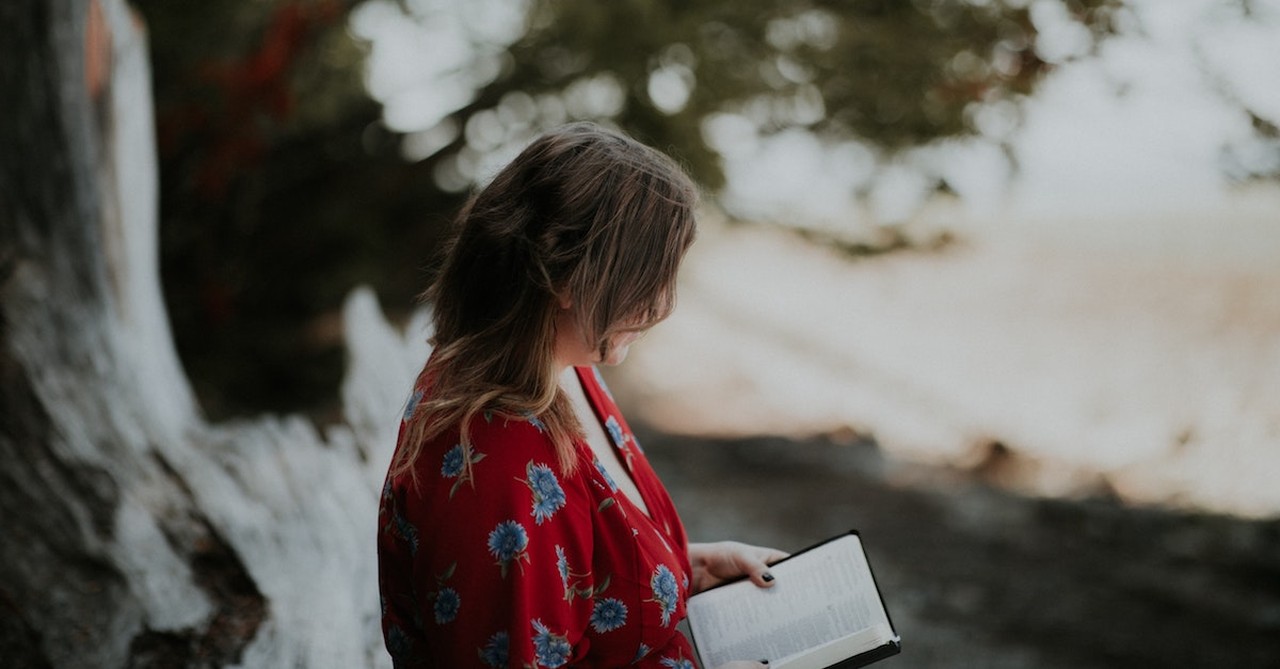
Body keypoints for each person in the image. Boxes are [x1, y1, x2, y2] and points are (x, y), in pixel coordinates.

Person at [377, 122, 786, 668]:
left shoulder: (565, 368)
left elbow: (576, 568)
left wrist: (690, 569)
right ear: (564, 279)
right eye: (648, 277)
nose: (664, 304)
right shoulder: (502, 464)